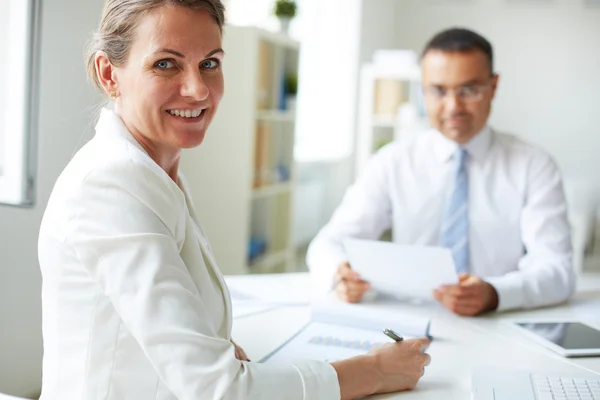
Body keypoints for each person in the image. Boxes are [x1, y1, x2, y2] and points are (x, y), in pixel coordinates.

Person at [37, 1, 431, 399]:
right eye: (166, 64)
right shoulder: (110, 186)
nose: (198, 89)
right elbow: (218, 390)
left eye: (209, 63)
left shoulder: (154, 173)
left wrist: (216, 349)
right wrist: (374, 371)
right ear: (110, 74)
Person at [306, 28, 575, 316]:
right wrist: (338, 274)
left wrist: (495, 293)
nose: (453, 106)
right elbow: (326, 244)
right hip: (407, 324)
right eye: (438, 90)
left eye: (469, 90)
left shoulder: (534, 166)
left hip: (500, 321)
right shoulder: (392, 162)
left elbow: (557, 270)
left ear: (493, 86)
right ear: (422, 89)